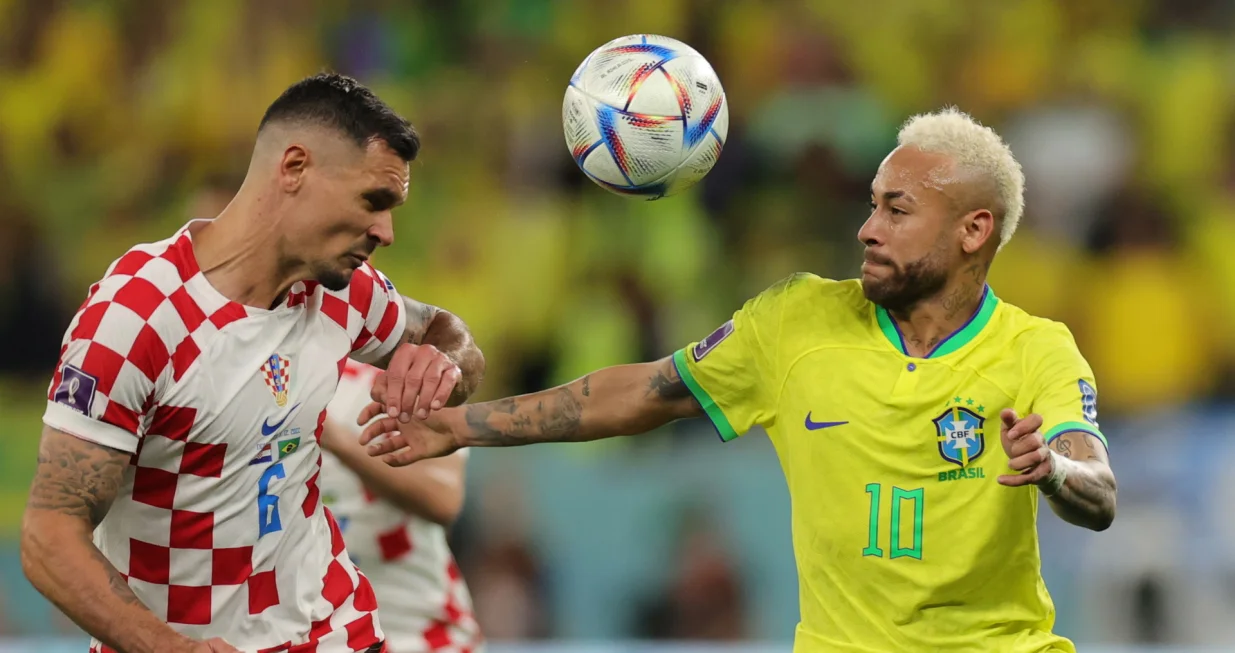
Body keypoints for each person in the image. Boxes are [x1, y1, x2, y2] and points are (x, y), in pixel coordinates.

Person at [359, 108, 1118, 652]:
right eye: (870, 205)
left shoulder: (1036, 349)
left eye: (897, 209)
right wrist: (456, 425)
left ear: (973, 230)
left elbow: (1096, 486)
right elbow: (642, 392)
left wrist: (1050, 469)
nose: (867, 227)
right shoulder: (795, 319)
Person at [21, 73, 485, 653]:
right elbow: (48, 534)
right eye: (373, 201)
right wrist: (170, 647)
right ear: (294, 167)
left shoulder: (341, 290)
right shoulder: (138, 316)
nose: (386, 232)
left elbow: (447, 331)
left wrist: (443, 362)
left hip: (331, 630)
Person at [319, 360, 483, 653]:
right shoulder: (247, 379)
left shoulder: (401, 377)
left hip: (415, 630)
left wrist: (339, 442)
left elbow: (443, 499)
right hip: (314, 631)